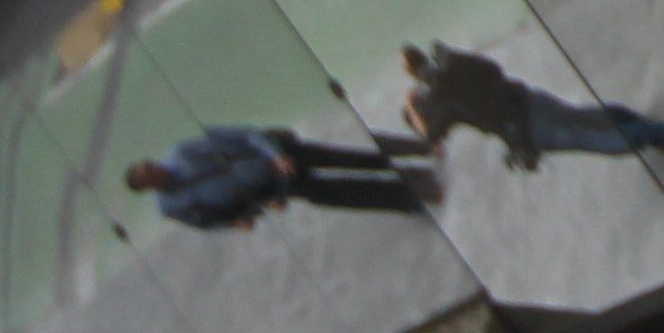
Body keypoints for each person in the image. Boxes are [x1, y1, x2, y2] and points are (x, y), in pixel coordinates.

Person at [394, 44, 664, 169]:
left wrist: (412, 106)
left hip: (525, 129)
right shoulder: (452, 60)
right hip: (528, 99)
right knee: (584, 116)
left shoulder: (443, 101)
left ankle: (655, 133)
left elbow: (431, 136)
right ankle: (651, 128)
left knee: (590, 140)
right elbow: (494, 69)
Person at [126, 126, 434, 228]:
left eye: (152, 169)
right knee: (341, 193)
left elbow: (244, 134)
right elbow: (205, 220)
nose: (159, 175)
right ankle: (407, 197)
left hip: (276, 158)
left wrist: (275, 155)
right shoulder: (170, 205)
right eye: (151, 180)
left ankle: (410, 163)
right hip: (269, 186)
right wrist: (241, 218)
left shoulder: (184, 153)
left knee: (347, 158)